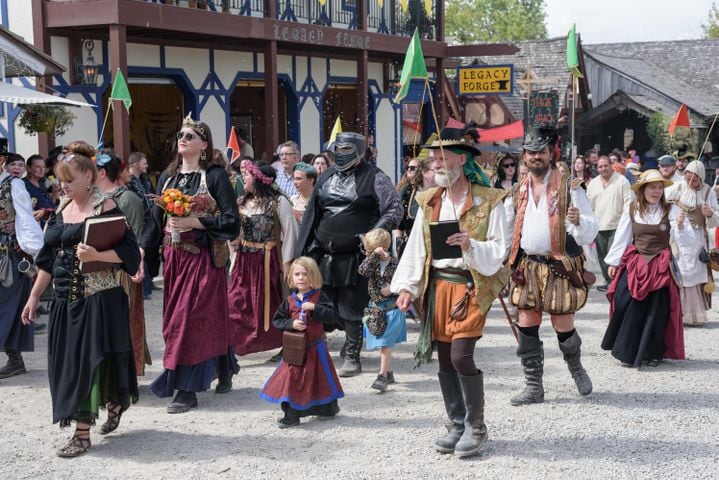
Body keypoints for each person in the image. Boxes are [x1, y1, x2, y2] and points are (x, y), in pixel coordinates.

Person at [391, 127, 510, 458]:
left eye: (443, 158)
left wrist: (470, 243)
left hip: (470, 286)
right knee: (444, 358)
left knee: (461, 355)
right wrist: (406, 287)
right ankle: (456, 422)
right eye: (433, 159)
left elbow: (500, 249)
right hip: (437, 286)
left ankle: (476, 425)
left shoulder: (490, 201)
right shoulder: (429, 200)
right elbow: (417, 247)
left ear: (462, 159)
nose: (437, 164)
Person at [21, 142, 141, 457]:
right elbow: (47, 261)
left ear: (88, 177)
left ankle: (82, 434)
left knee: (89, 363)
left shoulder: (106, 208)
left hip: (99, 300)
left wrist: (97, 253)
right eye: (60, 180)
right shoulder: (60, 209)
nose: (63, 186)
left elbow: (130, 254)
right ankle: (114, 403)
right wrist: (34, 297)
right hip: (64, 301)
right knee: (68, 366)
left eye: (69, 180)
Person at [141, 115, 240, 413]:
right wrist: (142, 252)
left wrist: (195, 220)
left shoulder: (215, 176)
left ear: (204, 144)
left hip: (204, 260)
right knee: (183, 319)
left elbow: (231, 221)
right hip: (174, 260)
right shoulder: (168, 177)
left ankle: (186, 388)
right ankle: (224, 366)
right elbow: (155, 222)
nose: (182, 139)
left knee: (190, 320)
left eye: (190, 136)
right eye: (180, 135)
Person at [296, 132, 402, 377]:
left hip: (356, 254)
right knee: (323, 301)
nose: (341, 155)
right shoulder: (326, 177)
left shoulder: (376, 177)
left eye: (347, 150)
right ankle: (320, 349)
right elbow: (315, 213)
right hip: (325, 252)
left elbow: (393, 209)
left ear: (359, 152)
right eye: (338, 150)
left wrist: (373, 234)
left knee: (352, 306)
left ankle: (353, 355)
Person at [508, 125, 598, 406]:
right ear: (524, 156)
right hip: (527, 266)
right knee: (527, 323)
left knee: (563, 324)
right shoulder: (516, 191)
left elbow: (589, 231)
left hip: (559, 264)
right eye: (531, 152)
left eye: (541, 152)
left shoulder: (570, 188)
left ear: (551, 154)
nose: (536, 157)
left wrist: (577, 220)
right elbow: (509, 230)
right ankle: (533, 386)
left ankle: (576, 368)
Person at [601, 169, 687, 368]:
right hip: (637, 263)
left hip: (660, 266)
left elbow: (684, 240)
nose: (657, 192)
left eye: (659, 188)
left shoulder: (671, 210)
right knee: (626, 301)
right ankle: (628, 351)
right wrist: (614, 262)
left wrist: (681, 226)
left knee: (657, 309)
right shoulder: (632, 209)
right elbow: (623, 235)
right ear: (643, 189)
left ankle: (653, 352)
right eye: (653, 188)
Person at [260, 257, 343, 428]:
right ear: (291, 277)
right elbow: (278, 320)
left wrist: (315, 309)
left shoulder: (319, 297)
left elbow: (332, 315)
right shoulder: (289, 301)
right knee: (291, 380)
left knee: (320, 380)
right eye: (297, 274)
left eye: (305, 274)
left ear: (313, 277)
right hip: (295, 351)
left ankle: (326, 409)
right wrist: (291, 324)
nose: (301, 278)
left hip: (316, 349)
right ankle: (291, 414)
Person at [228, 160, 298, 356]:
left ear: (258, 179)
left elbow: (291, 232)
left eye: (247, 175)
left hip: (267, 262)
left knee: (269, 304)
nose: (244, 179)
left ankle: (280, 343)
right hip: (243, 261)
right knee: (235, 301)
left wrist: (287, 263)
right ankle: (235, 343)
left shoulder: (278, 202)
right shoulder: (242, 201)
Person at [95, 150, 151, 376]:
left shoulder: (128, 199)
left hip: (121, 272)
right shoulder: (92, 199)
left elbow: (137, 239)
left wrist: (136, 265)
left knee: (125, 324)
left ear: (101, 172)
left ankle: (127, 374)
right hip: (95, 271)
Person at [0, 153, 44, 379]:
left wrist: (34, 250)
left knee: (9, 307)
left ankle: (15, 359)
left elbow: (26, 218)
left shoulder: (13, 185)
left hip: (8, 256)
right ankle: (14, 359)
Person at [665, 160, 719, 326]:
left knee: (694, 273)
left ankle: (692, 313)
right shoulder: (679, 187)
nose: (690, 183)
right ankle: (676, 312)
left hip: (697, 237)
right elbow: (661, 198)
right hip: (678, 235)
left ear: (701, 178)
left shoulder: (707, 191)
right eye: (688, 179)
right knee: (679, 270)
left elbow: (716, 216)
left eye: (694, 180)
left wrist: (709, 213)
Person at [358, 228, 406, 392]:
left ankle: (382, 376)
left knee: (385, 343)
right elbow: (362, 270)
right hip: (376, 309)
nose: (367, 254)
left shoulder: (395, 263)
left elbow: (404, 281)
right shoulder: (371, 263)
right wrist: (373, 256)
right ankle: (388, 371)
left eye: (370, 251)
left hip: (391, 309)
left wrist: (393, 288)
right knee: (381, 343)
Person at [586, 155, 632, 291]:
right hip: (599, 226)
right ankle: (607, 281)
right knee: (602, 256)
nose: (603, 168)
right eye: (600, 166)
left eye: (605, 165)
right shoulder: (593, 184)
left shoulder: (622, 181)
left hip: (617, 225)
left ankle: (616, 282)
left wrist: (626, 222)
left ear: (611, 165)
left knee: (615, 255)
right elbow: (589, 206)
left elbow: (628, 202)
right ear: (597, 168)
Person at [23, 154, 56, 228]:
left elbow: (50, 205)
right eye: (38, 167)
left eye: (43, 167)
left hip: (50, 224)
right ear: (29, 168)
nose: (42, 169)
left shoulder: (43, 183)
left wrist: (55, 192)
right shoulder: (23, 185)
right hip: (35, 226)